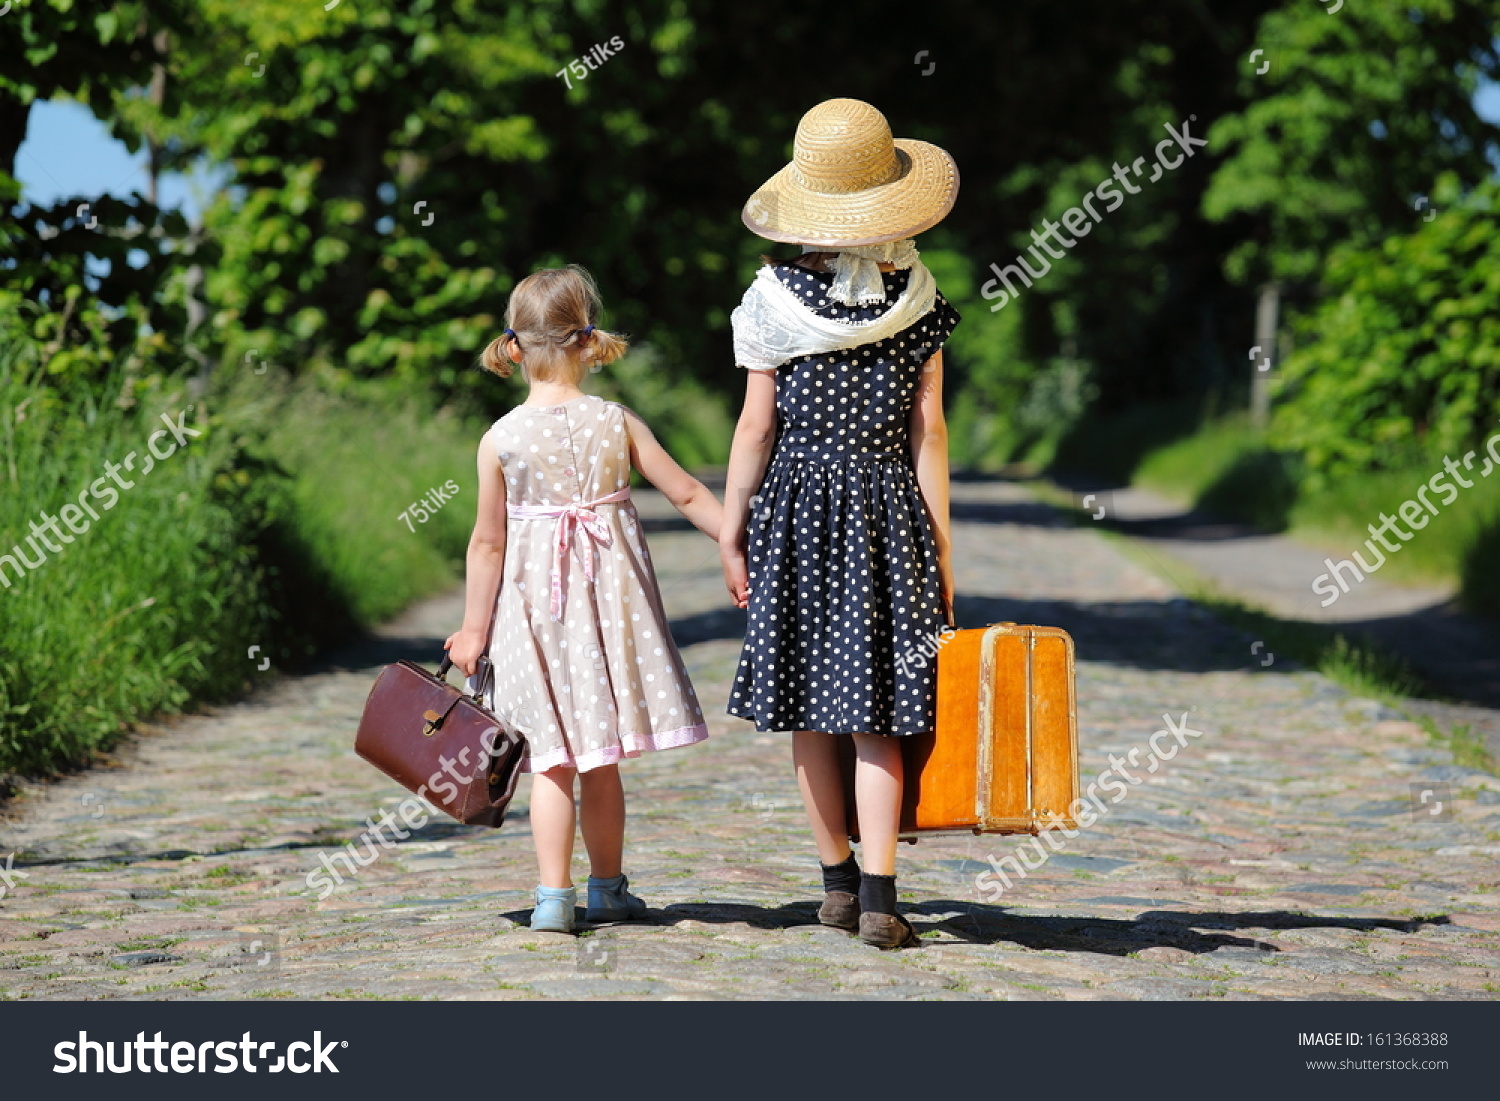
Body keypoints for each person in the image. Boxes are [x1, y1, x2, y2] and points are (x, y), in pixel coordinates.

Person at [720, 99, 960, 949]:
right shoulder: (921, 301)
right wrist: (942, 542)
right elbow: (928, 434)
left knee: (809, 704)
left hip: (794, 512)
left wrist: (728, 526)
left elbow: (755, 428)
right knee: (882, 709)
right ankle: (883, 896)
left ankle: (834, 882)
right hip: (889, 514)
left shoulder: (771, 303)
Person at [446, 264, 723, 934]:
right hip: (610, 613)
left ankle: (551, 898)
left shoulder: (501, 438)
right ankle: (607, 888)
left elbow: (487, 544)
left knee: (550, 759)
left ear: (513, 347)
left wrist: (471, 630)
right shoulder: (616, 420)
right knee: (600, 757)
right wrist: (738, 546)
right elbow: (685, 492)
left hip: (530, 618)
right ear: (590, 341)